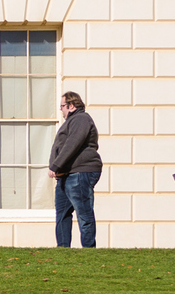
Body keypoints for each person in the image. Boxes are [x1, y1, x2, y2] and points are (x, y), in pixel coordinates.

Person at [49, 91, 103, 248]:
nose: (61, 110)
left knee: (84, 213)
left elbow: (72, 144)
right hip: (66, 174)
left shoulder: (81, 119)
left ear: (71, 106)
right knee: (62, 214)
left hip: (80, 172)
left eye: (62, 106)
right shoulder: (72, 121)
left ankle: (88, 250)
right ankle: (63, 250)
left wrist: (56, 165)